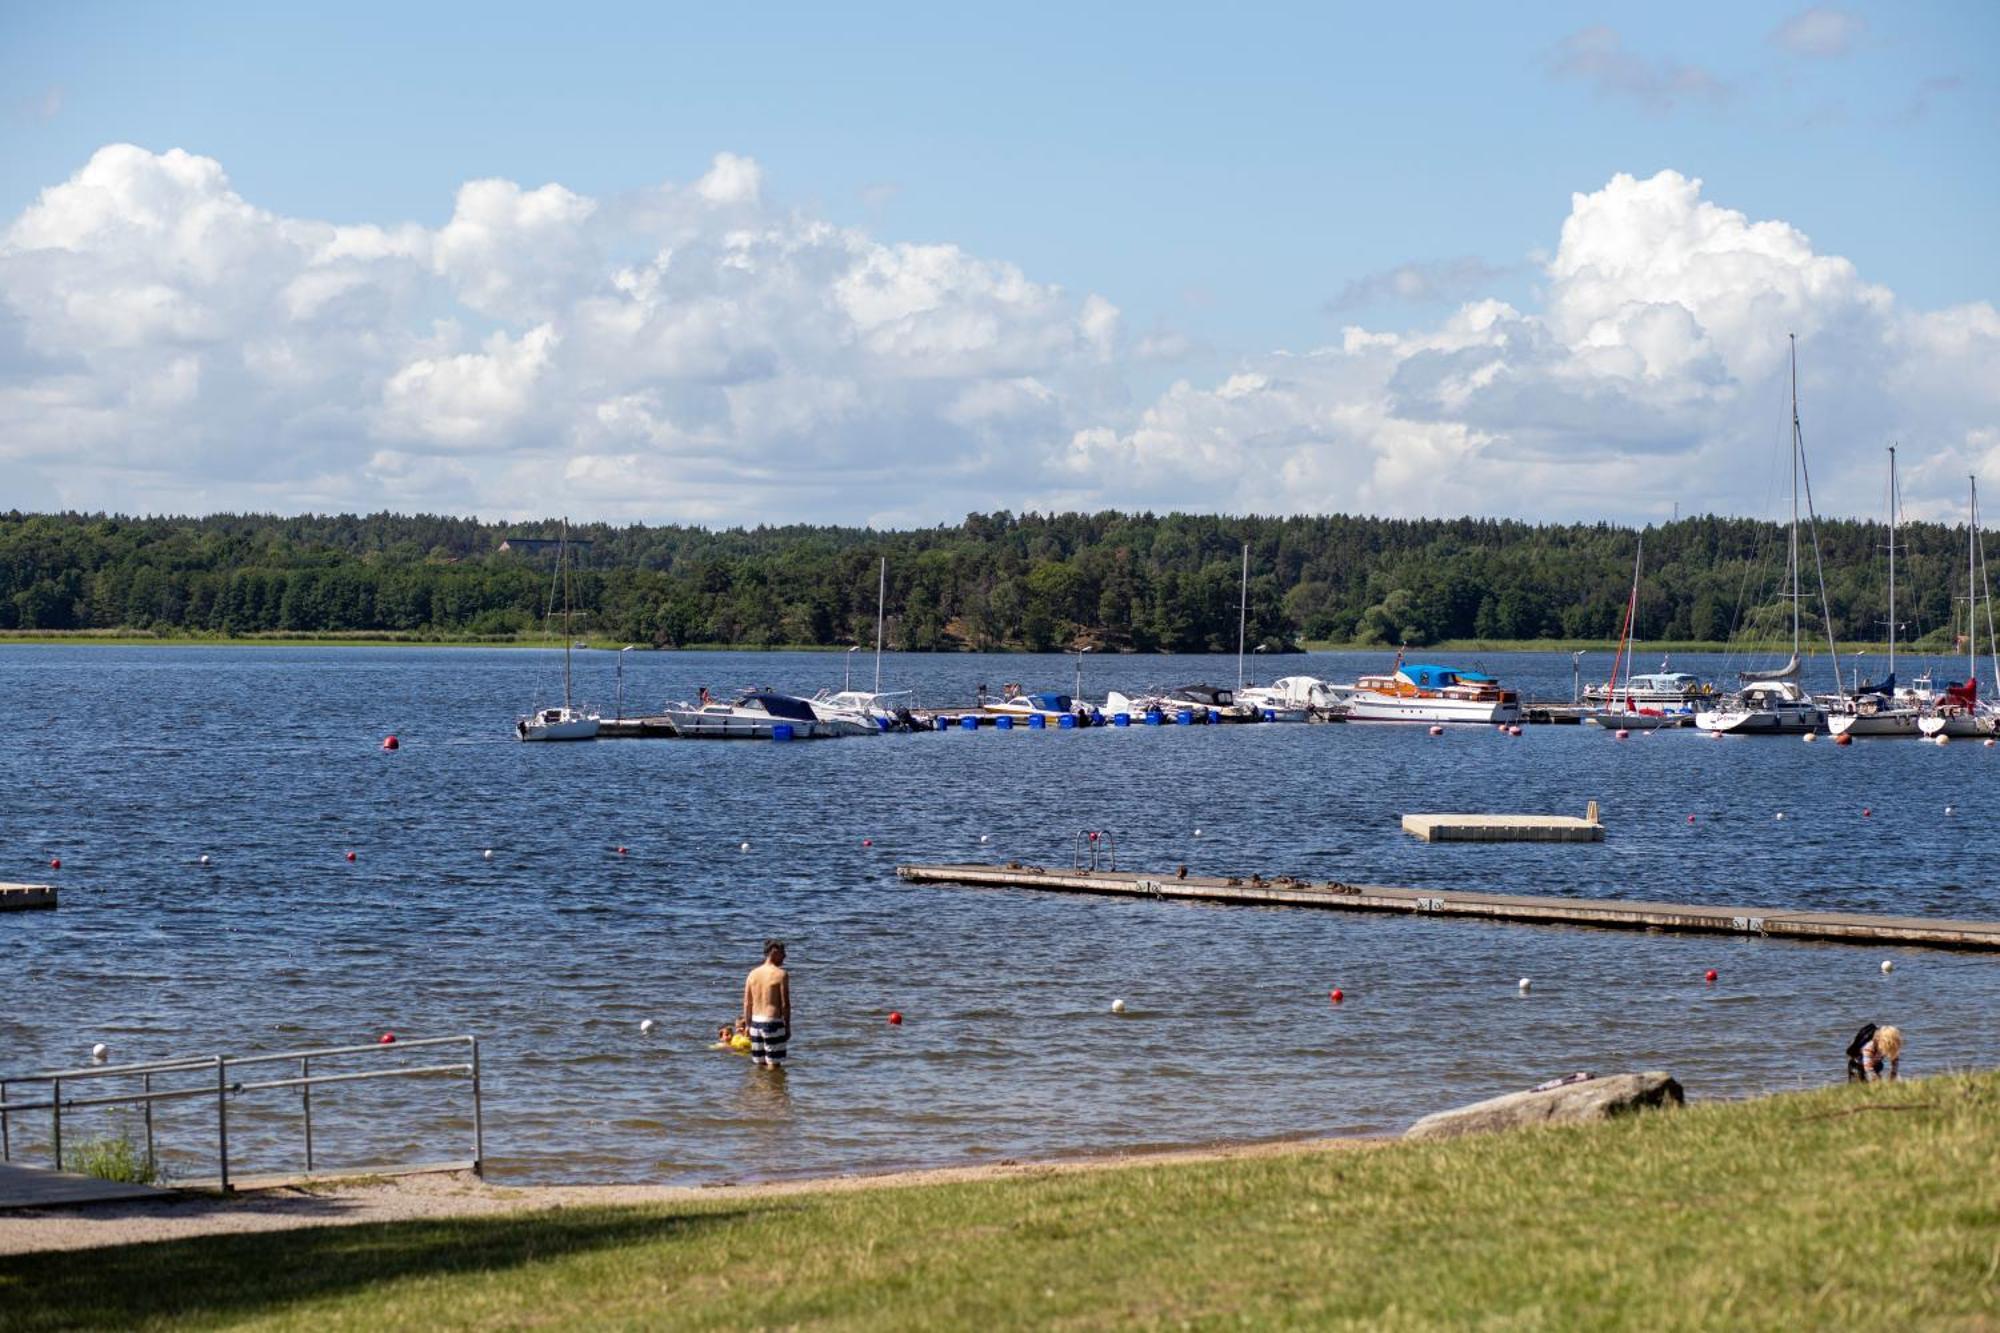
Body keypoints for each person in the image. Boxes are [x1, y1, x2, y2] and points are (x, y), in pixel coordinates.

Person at [741, 939, 791, 1069]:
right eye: (782, 953)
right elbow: (785, 1004)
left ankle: (761, 1089)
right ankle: (774, 1089)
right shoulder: (781, 974)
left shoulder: (752, 974)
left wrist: (747, 1025)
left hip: (755, 1024)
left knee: (759, 1065)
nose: (785, 956)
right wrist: (787, 1026)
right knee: (774, 1067)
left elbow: (747, 1003)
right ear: (774, 952)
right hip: (772, 1022)